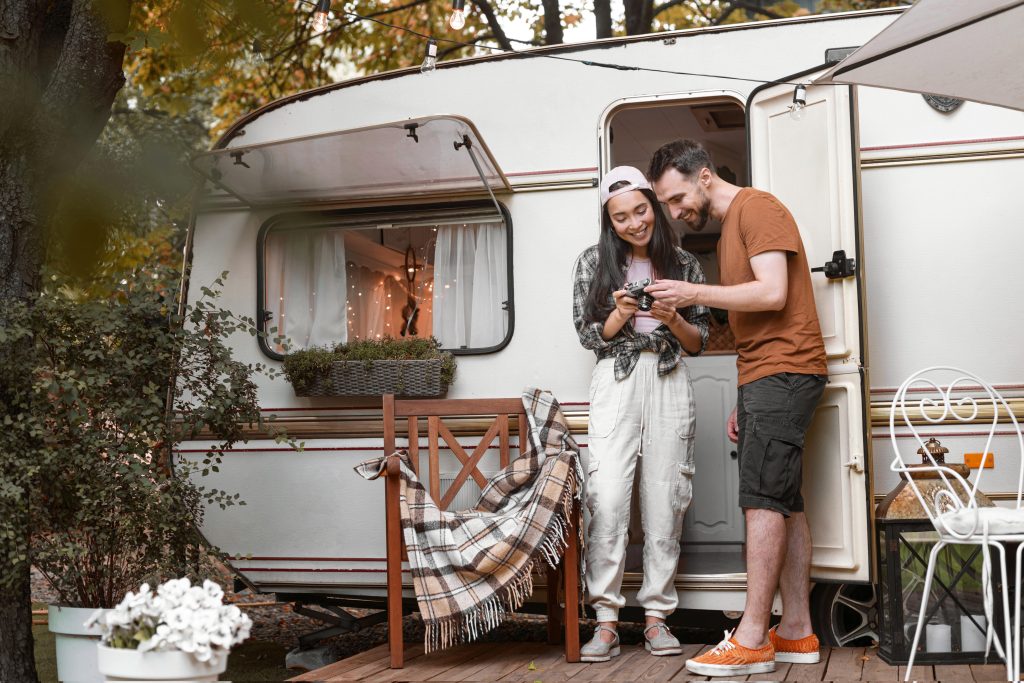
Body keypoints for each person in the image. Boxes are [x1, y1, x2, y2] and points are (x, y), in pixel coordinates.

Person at [645, 140, 828, 677]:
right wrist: (746, 394)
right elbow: (750, 316)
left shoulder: (758, 207)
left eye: (677, 198)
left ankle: (751, 635)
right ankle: (795, 631)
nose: (675, 213)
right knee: (785, 499)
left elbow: (772, 294)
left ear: (704, 176)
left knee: (762, 499)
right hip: (767, 376)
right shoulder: (729, 231)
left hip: (786, 368)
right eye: (668, 205)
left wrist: (689, 292)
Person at [572, 165, 710, 662]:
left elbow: (698, 343)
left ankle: (656, 618)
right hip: (616, 380)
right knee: (606, 496)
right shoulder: (593, 264)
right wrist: (623, 312)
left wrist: (672, 315)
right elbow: (591, 336)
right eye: (621, 217)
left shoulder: (684, 264)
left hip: (670, 377)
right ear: (609, 223)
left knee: (666, 496)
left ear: (653, 206)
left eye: (640, 210)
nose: (634, 223)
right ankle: (605, 621)